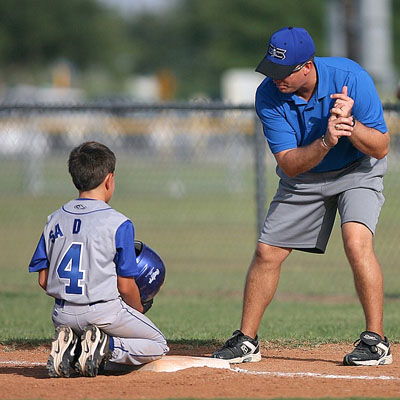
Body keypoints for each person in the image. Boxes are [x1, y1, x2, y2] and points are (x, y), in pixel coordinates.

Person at [212, 26, 391, 366]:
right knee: (267, 252)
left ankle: (375, 342)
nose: (276, 79)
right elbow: (290, 165)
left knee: (356, 242)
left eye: (284, 73)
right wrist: (325, 141)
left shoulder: (351, 78)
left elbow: (381, 148)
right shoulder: (268, 96)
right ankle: (247, 340)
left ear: (307, 66)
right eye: (271, 70)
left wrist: (350, 126)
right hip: (305, 175)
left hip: (357, 169)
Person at [29, 141, 169, 377]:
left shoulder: (53, 219)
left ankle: (74, 347)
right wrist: (137, 309)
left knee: (90, 328)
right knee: (158, 344)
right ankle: (105, 346)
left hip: (61, 314)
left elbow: (43, 280)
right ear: (109, 179)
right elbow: (125, 285)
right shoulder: (118, 222)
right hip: (102, 312)